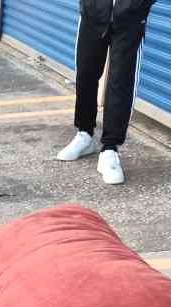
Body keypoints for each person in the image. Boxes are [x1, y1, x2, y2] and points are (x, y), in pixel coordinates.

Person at [57, 0, 156, 185]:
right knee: (85, 73)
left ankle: (110, 149)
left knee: (121, 80)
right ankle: (84, 134)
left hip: (130, 17)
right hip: (94, 11)